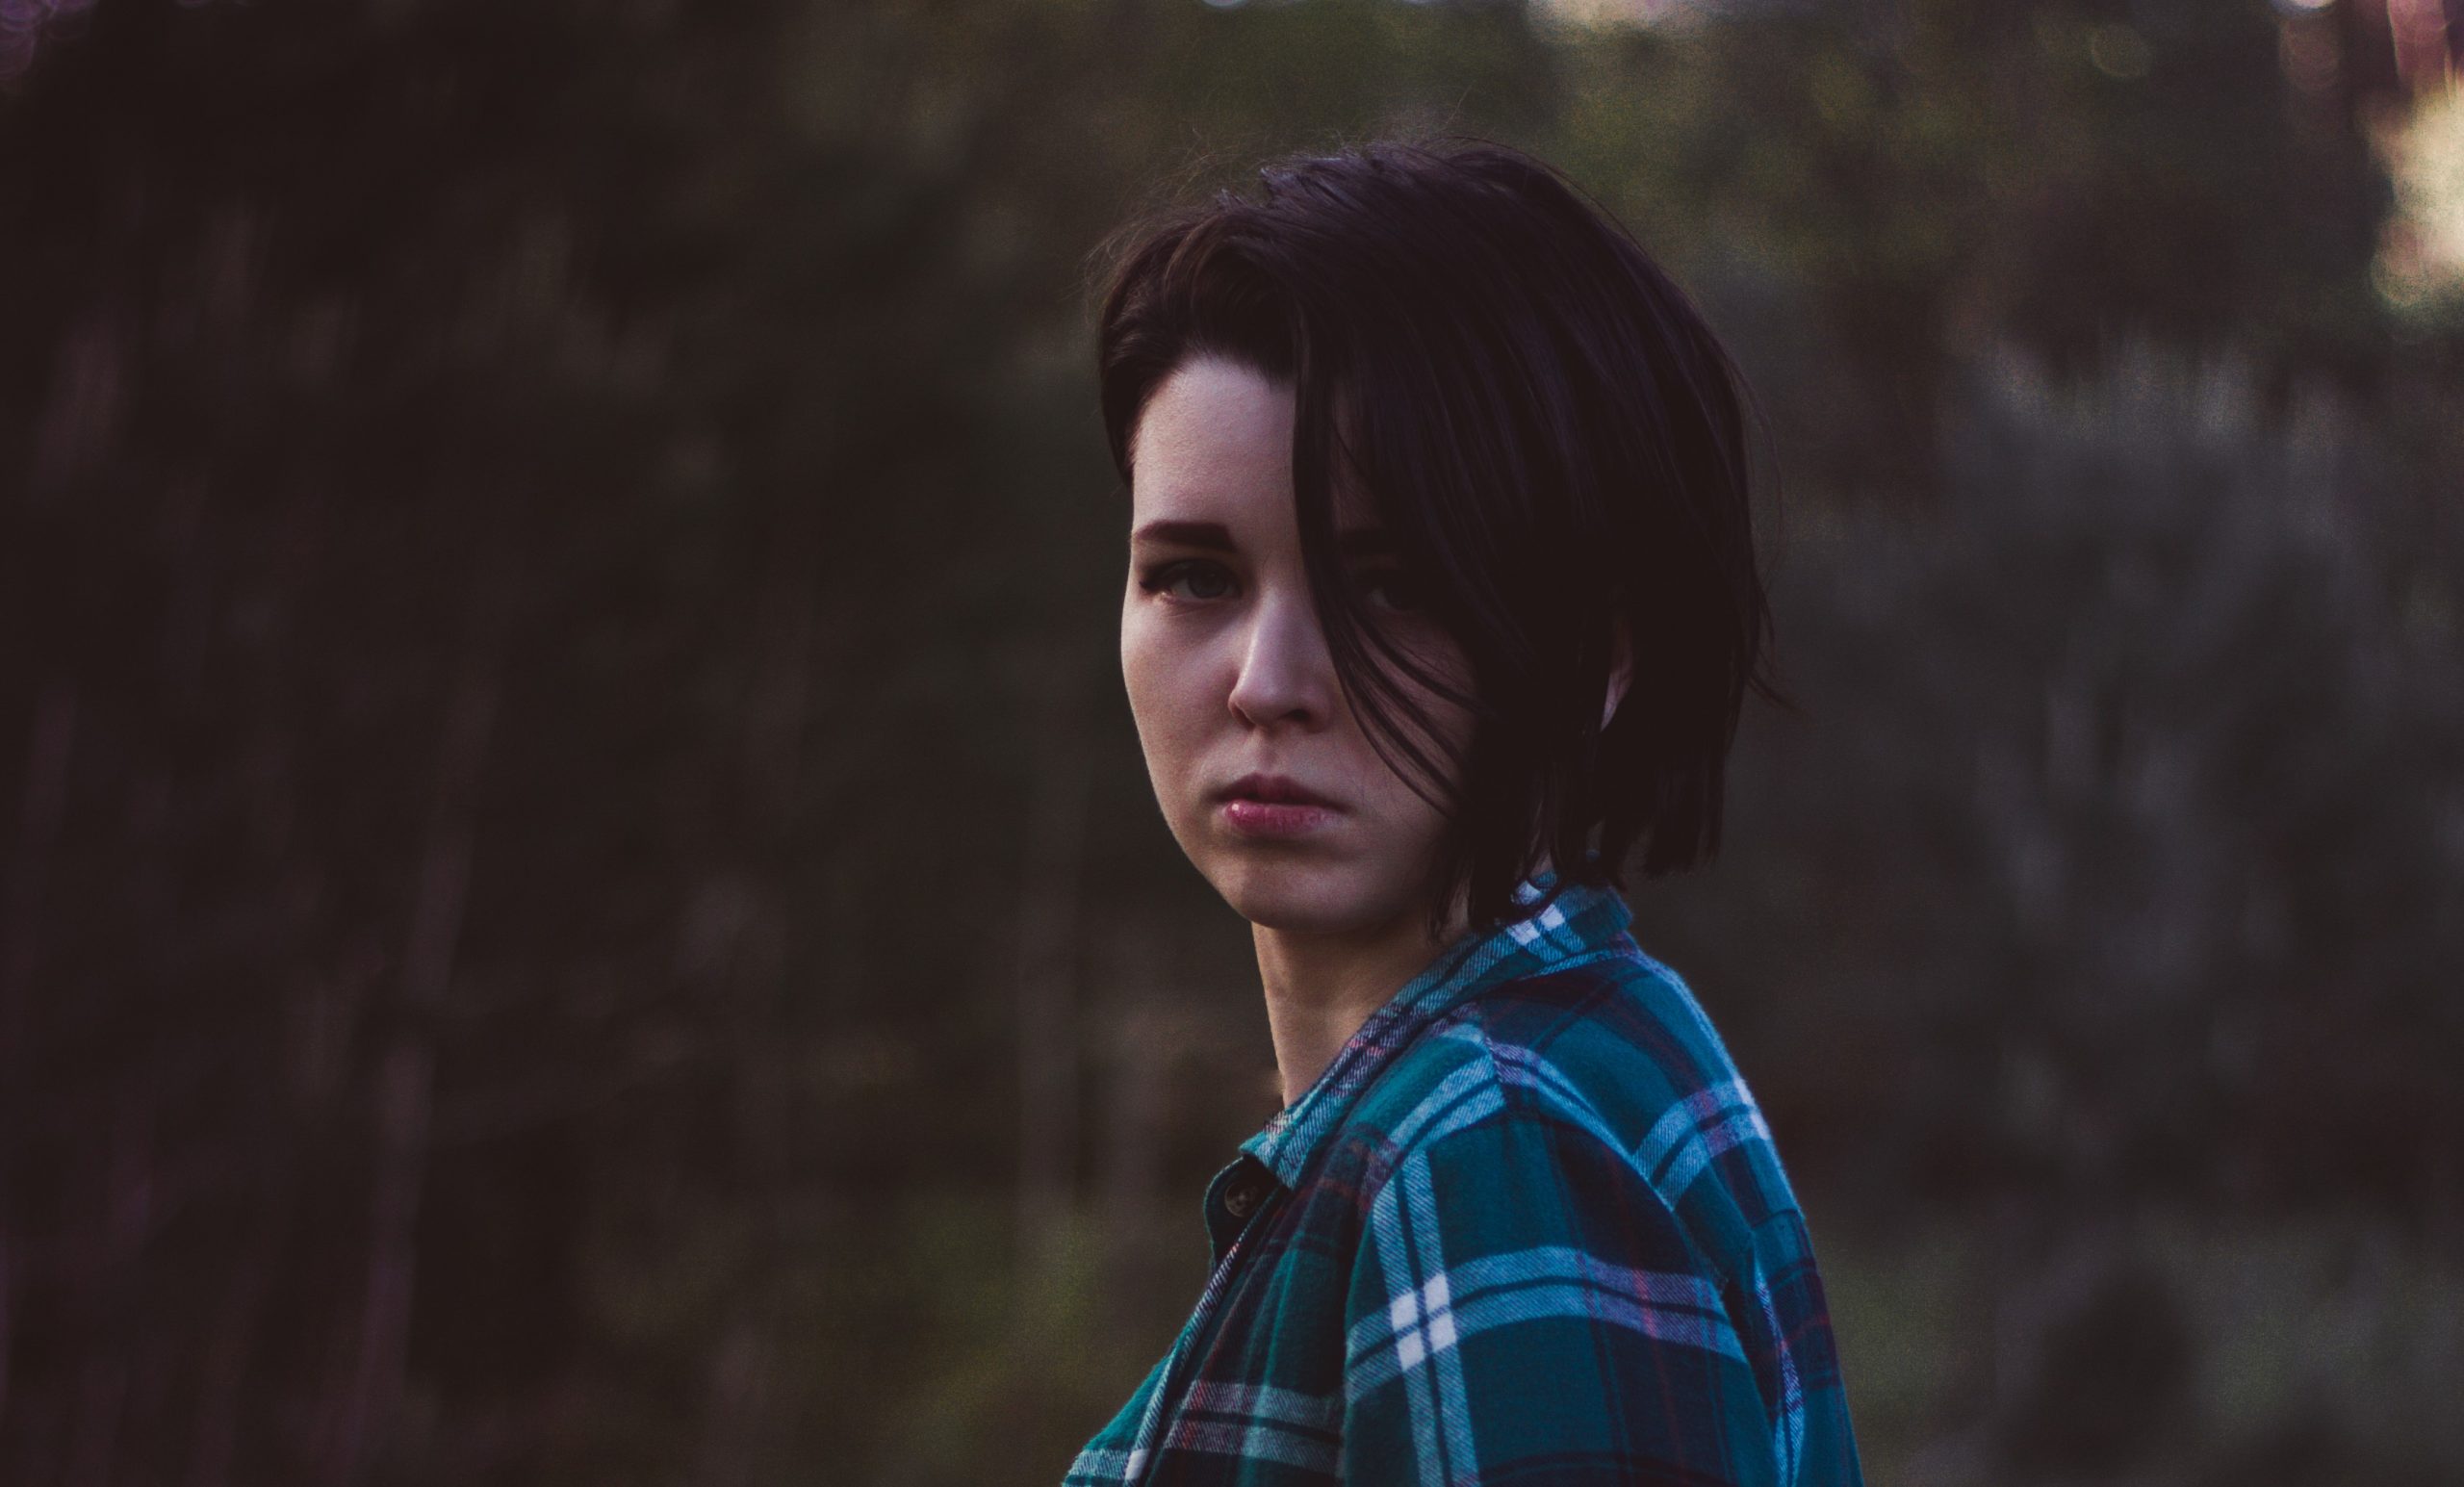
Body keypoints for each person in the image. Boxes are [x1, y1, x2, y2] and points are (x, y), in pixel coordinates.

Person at [1070, 139, 1862, 1487]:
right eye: (1196, 575)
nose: (1267, 681)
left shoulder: (1492, 1146)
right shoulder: (1557, 1069)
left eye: (1389, 585)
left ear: (1595, 654)